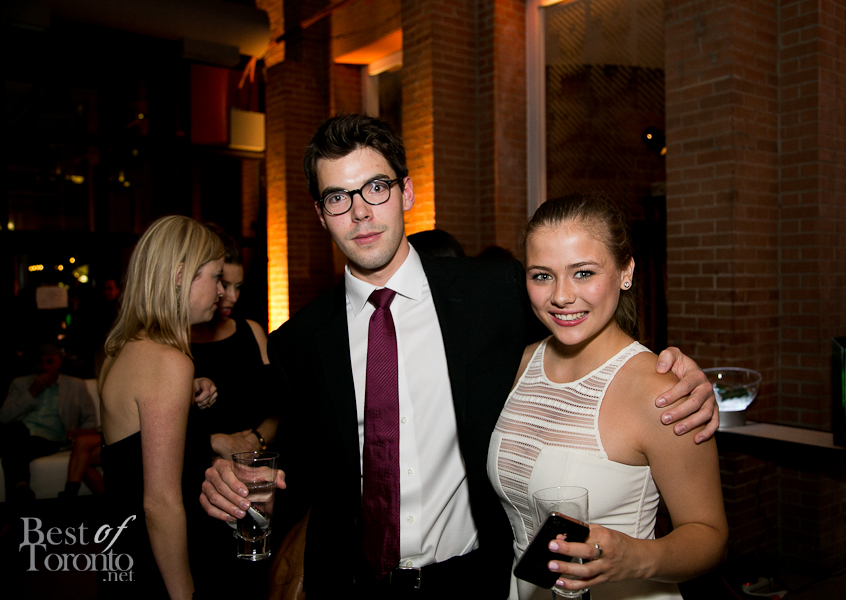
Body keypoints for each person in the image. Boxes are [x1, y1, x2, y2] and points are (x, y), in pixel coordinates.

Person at [199, 114, 718, 599]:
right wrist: (243, 490)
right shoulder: (297, 343)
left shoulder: (493, 295)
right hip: (351, 585)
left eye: (376, 187)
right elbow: (300, 478)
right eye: (337, 197)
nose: (360, 212)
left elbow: (587, 336)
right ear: (320, 214)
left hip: (474, 583)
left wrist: (677, 370)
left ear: (406, 191)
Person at [489, 192, 728, 600]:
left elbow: (710, 536)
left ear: (625, 271)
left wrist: (635, 558)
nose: (561, 296)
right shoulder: (516, 366)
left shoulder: (662, 391)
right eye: (542, 276)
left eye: (583, 273)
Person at [98, 215, 224, 600]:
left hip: (122, 551)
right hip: (158, 562)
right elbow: (160, 503)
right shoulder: (168, 362)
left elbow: (130, 452)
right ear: (181, 275)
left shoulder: (121, 350)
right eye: (216, 277)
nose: (221, 291)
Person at [190, 223, 277, 460]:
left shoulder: (252, 331)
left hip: (257, 462)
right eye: (223, 284)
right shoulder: (174, 343)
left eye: (238, 287)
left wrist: (253, 442)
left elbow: (279, 407)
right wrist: (215, 442)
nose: (232, 297)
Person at [1, 343, 98, 503]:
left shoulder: (75, 385)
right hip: (19, 433)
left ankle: (20, 489)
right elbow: (4, 417)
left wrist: (76, 434)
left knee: (13, 448)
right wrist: (32, 392)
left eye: (49, 361)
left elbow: (90, 420)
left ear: (59, 361)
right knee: (16, 433)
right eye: (40, 361)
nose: (44, 366)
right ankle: (21, 486)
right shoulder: (20, 384)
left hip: (51, 439)